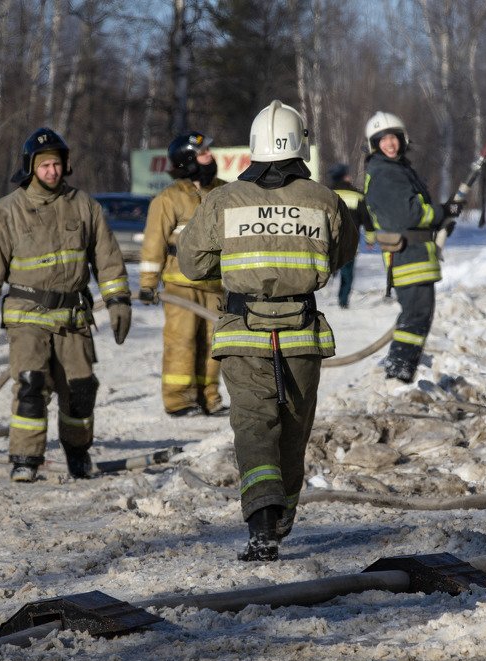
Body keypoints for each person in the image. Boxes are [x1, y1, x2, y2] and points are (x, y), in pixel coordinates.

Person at [178, 100, 358, 561]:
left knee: (254, 426)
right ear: (300, 145)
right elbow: (341, 253)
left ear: (255, 147)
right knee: (293, 432)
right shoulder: (324, 200)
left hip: (244, 333)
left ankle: (261, 524)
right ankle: (280, 520)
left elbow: (192, 265)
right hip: (301, 332)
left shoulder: (221, 200)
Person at [0, 128, 132, 482]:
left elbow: (107, 258)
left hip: (73, 318)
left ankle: (77, 453)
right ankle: (25, 459)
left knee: (81, 389)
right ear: (31, 168)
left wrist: (119, 300)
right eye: (44, 166)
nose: (52, 172)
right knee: (31, 384)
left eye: (56, 164)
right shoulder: (8, 211)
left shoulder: (84, 206)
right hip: (27, 316)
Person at [139, 132, 226, 417]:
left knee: (217, 344)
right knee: (182, 341)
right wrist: (148, 283)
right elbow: (154, 242)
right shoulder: (169, 199)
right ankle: (178, 400)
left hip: (217, 286)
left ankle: (208, 398)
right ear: (188, 161)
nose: (210, 157)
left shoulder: (224, 193)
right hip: (180, 287)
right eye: (203, 154)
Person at [363, 111, 451, 383]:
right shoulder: (384, 173)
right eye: (383, 140)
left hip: (415, 255)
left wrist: (442, 219)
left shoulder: (397, 169)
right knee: (415, 316)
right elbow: (408, 215)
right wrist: (440, 212)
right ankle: (399, 372)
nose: (390, 144)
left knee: (418, 315)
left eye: (393, 138)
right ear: (375, 145)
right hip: (408, 257)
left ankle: (402, 371)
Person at [327, 163, 373, 308]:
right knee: (347, 272)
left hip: (329, 239)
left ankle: (326, 290)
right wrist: (370, 239)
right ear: (346, 177)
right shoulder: (357, 195)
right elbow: (367, 219)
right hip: (350, 241)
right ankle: (343, 299)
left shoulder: (327, 194)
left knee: (329, 266)